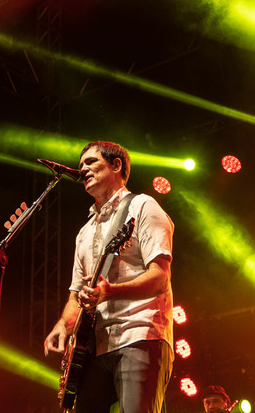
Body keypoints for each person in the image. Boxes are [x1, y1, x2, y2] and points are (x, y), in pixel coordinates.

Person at [43, 141, 175, 413]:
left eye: (91, 162)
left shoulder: (142, 206)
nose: (83, 169)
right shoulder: (84, 232)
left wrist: (110, 292)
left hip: (140, 332)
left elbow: (160, 277)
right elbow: (76, 294)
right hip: (94, 346)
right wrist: (63, 325)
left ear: (116, 165)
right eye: (81, 165)